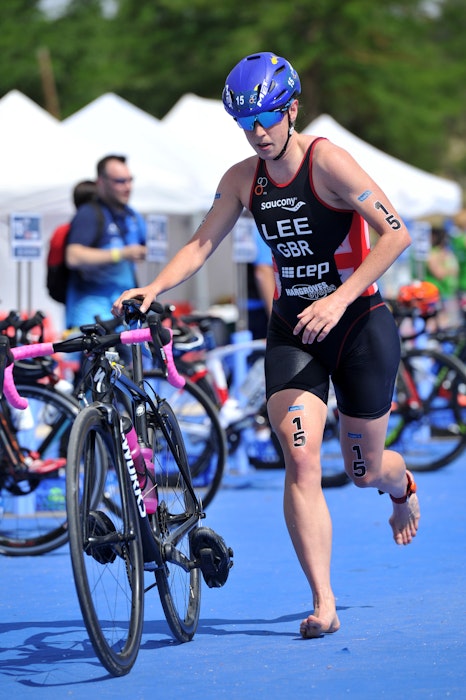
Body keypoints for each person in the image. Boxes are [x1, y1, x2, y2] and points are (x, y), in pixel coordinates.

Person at [113, 52, 420, 639]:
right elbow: (200, 245)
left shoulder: (327, 161)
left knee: (363, 470)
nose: (257, 133)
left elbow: (395, 232)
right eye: (245, 123)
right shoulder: (242, 179)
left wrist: (338, 300)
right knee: (300, 457)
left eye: (266, 119)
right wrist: (153, 288)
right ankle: (324, 601)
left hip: (358, 325)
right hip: (293, 333)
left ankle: (400, 486)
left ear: (292, 110)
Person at [65, 154, 147, 330]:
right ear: (101, 182)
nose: (128, 187)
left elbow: (146, 250)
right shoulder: (89, 213)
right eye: (120, 181)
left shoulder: (132, 216)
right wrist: (121, 254)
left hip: (125, 309)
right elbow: (73, 257)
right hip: (92, 310)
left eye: (130, 180)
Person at [425, 225, 459, 327]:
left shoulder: (442, 252)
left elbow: (455, 270)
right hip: (435, 292)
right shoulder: (433, 253)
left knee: (447, 322)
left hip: (445, 292)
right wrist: (449, 270)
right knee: (439, 322)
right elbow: (439, 273)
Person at [247, 228, 275, 338]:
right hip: (262, 310)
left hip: (247, 308)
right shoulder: (262, 228)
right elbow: (263, 273)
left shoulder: (246, 228)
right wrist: (274, 320)